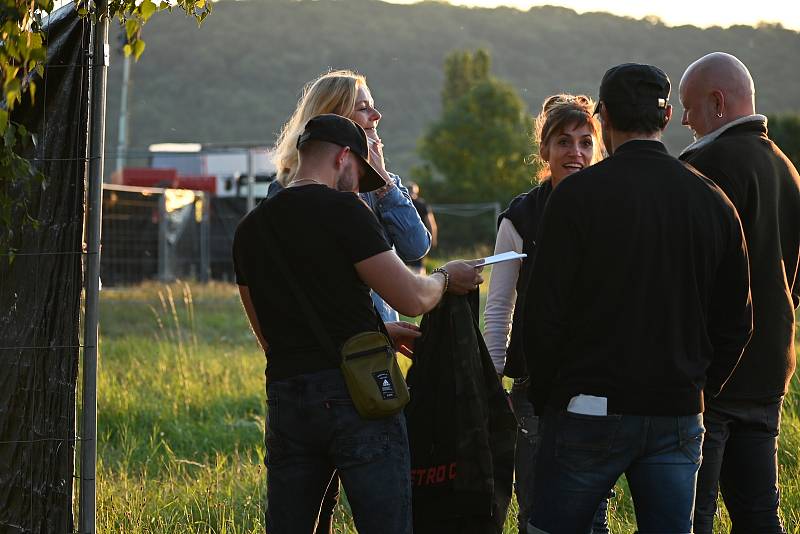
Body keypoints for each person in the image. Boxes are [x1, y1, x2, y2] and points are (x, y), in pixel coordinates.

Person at [523, 63, 753, 534]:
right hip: (677, 409)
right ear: (666, 116)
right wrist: (699, 388)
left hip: (587, 404)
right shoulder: (711, 200)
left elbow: (542, 314)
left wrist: (550, 399)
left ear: (603, 116)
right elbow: (737, 321)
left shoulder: (576, 197)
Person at [233, 114, 481, 533]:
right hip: (359, 398)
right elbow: (412, 298)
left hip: (287, 401)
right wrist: (445, 277)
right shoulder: (344, 211)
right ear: (343, 157)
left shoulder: (250, 228)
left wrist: (378, 331)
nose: (357, 186)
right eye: (358, 174)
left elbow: (270, 335)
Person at [679, 52, 800, 534]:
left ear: (717, 101)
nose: (683, 119)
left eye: (689, 107)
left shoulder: (704, 166)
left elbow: (689, 275)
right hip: (772, 367)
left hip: (716, 372)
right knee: (759, 513)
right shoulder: (789, 170)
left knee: (695, 514)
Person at [482, 94, 606, 533]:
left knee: (591, 511)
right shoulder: (520, 217)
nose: (576, 152)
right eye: (564, 142)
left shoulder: (611, 208)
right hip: (534, 385)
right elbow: (500, 304)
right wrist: (493, 376)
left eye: (585, 142)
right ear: (545, 151)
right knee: (535, 504)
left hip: (598, 381)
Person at [272, 69, 430, 322]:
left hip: (379, 342)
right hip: (328, 339)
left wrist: (383, 181)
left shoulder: (382, 185)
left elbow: (416, 247)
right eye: (364, 108)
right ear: (335, 120)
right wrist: (445, 279)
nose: (377, 116)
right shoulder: (288, 188)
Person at [404, 181, 438, 274]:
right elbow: (431, 224)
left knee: (403, 267)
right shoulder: (422, 204)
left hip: (403, 239)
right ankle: (421, 285)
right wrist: (432, 240)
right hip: (419, 238)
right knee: (419, 268)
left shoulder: (402, 204)